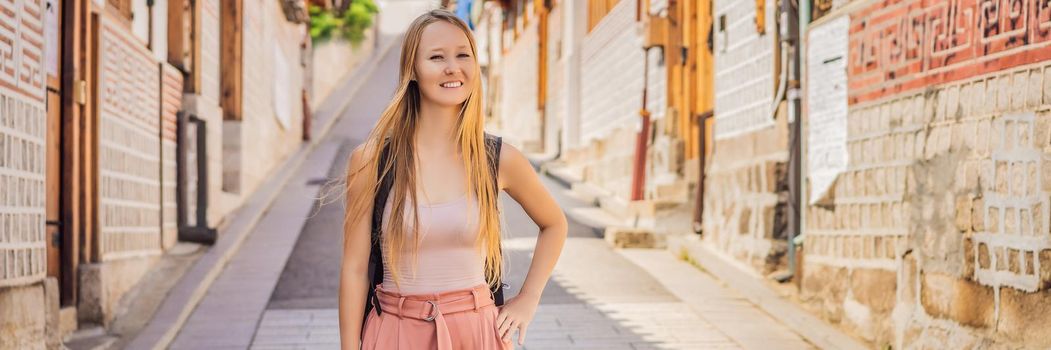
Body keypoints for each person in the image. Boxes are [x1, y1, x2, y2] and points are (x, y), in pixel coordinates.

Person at [338, 9, 568, 350]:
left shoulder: (497, 158)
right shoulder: (372, 160)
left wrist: (529, 298)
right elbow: (354, 269)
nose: (452, 67)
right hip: (394, 332)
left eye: (463, 55)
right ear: (412, 70)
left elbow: (555, 224)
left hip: (477, 332)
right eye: (436, 57)